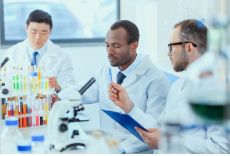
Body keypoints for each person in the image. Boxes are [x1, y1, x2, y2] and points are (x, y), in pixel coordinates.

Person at [108, 19, 229, 154]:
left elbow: (222, 149)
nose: (168, 53)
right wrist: (128, 106)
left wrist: (169, 142)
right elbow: (159, 129)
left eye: (171, 47)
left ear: (189, 48)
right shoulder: (178, 86)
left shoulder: (216, 90)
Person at [52, 20, 170, 153]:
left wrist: (120, 149)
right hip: (106, 144)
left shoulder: (157, 80)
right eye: (107, 45)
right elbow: (80, 90)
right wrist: (59, 99)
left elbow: (155, 131)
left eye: (116, 46)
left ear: (134, 45)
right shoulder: (107, 70)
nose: (109, 51)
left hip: (134, 151)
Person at [2, 10, 76, 92]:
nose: (38, 37)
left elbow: (70, 89)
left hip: (49, 104)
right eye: (33, 32)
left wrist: (58, 87)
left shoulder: (62, 56)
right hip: (20, 103)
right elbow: (4, 84)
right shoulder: (12, 53)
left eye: (43, 33)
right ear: (26, 28)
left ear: (50, 31)